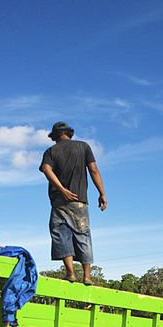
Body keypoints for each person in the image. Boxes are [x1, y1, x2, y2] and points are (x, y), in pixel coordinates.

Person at [39, 121, 107, 284]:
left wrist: (62, 190)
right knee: (83, 234)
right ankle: (87, 276)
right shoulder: (83, 147)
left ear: (54, 137)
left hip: (59, 202)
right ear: (69, 134)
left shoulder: (51, 151)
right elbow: (94, 170)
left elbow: (46, 170)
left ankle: (70, 273)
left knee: (61, 235)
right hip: (79, 201)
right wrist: (102, 193)